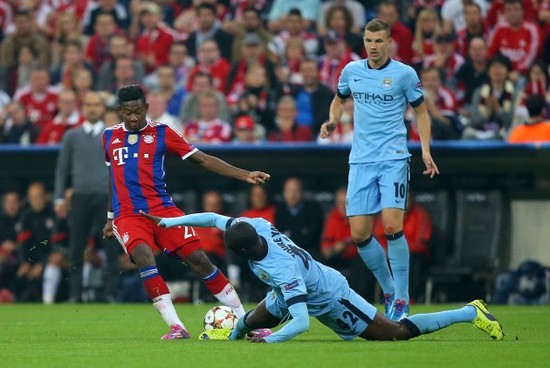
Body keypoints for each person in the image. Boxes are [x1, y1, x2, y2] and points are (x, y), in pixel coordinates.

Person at [139, 211, 504, 343]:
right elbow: (216, 219)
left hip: (330, 297)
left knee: (395, 333)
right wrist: (173, 221)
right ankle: (225, 336)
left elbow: (300, 324)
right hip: (285, 291)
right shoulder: (254, 227)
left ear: (245, 252)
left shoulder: (284, 270)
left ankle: (470, 312)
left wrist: (272, 342)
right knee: (246, 323)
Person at [102, 85, 270, 340]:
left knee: (200, 261)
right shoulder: (108, 137)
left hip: (163, 211)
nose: (133, 117)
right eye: (127, 112)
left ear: (147, 108)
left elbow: (202, 159)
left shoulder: (163, 132)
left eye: (138, 111)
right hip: (128, 215)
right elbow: (112, 177)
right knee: (144, 257)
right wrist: (110, 217)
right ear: (120, 111)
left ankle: (247, 321)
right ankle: (176, 326)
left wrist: (244, 174)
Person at [320, 19, 439, 321]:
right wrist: (333, 121)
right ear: (364, 41)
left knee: (390, 227)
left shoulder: (404, 74)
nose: (373, 46)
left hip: (393, 158)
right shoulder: (351, 71)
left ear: (388, 43)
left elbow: (421, 111)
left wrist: (424, 149)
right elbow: (338, 100)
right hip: (360, 160)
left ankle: (401, 296)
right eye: (368, 41)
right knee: (359, 234)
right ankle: (387, 289)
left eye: (378, 41)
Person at [54, 92, 120, 303]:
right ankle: (75, 294)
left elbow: (119, 170)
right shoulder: (71, 137)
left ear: (102, 109)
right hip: (80, 197)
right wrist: (58, 198)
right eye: (88, 105)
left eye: (96, 105)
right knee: (76, 248)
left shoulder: (111, 136)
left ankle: (111, 293)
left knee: (111, 247)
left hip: (105, 198)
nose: (92, 108)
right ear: (83, 108)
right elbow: (62, 170)